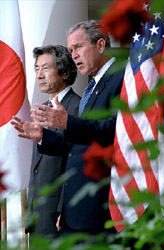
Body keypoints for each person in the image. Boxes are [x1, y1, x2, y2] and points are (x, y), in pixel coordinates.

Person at [11, 20, 124, 235]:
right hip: (77, 212)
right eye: (71, 49)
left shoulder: (119, 79)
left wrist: (68, 122)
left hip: (98, 209)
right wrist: (44, 137)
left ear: (100, 45)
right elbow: (76, 150)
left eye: (78, 47)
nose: (73, 55)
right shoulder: (94, 86)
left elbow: (115, 132)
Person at [23, 45, 80, 238]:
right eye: (37, 69)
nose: (39, 75)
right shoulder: (42, 109)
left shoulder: (78, 108)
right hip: (38, 215)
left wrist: (65, 208)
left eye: (45, 68)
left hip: (61, 217)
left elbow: (75, 163)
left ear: (64, 72)